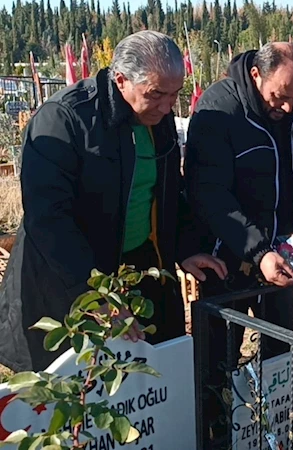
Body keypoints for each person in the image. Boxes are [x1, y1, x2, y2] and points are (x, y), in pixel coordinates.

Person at [0, 30, 227, 372]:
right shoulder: (64, 119)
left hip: (139, 268)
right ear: (121, 80)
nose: (168, 107)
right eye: (157, 95)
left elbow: (164, 194)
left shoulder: (157, 119)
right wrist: (94, 294)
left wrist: (184, 247)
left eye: (175, 95)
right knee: (76, 393)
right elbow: (49, 218)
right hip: (69, 280)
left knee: (148, 383)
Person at [183, 42, 293, 443]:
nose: (290, 107)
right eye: (281, 96)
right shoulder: (218, 111)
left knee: (279, 348)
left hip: (282, 254)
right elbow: (210, 194)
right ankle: (216, 431)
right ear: (256, 75)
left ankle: (269, 429)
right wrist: (258, 251)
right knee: (218, 356)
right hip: (227, 256)